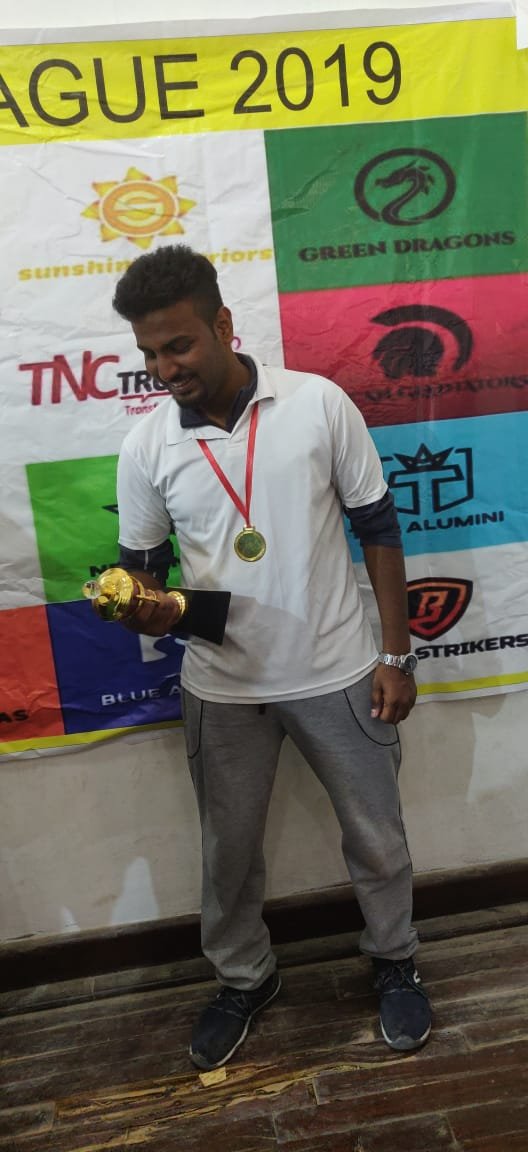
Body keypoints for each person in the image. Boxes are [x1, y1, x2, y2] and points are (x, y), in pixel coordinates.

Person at [110, 243, 432, 1071]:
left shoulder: (317, 403)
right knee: (228, 852)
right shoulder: (147, 446)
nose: (165, 368)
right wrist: (139, 603)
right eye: (149, 353)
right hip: (221, 689)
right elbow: (144, 575)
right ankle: (244, 977)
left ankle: (395, 959)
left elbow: (378, 528)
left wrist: (396, 655)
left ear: (223, 324)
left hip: (340, 671)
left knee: (377, 838)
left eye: (178, 345)